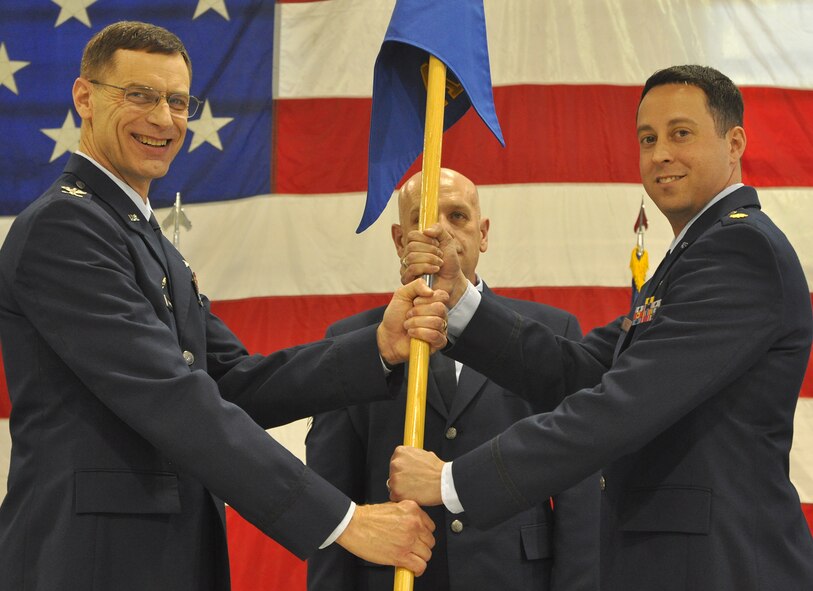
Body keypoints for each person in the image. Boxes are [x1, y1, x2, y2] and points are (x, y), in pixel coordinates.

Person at [0, 21, 448, 591]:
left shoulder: (143, 238)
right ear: (84, 98)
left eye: (177, 101)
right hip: (91, 561)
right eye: (139, 95)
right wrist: (344, 521)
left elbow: (234, 382)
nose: (163, 119)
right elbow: (172, 397)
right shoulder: (65, 227)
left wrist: (379, 348)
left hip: (165, 558)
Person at [388, 65, 813, 590]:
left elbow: (622, 405)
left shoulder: (739, 249)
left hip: (722, 566)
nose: (660, 154)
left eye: (681, 133)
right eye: (647, 138)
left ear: (735, 144)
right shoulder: (695, 254)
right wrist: (460, 300)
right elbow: (583, 369)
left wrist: (454, 480)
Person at [306, 168, 600, 591]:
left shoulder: (552, 333)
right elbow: (332, 501)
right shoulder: (352, 344)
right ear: (399, 240)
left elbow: (580, 491)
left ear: (483, 234)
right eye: (423, 219)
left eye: (458, 217)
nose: (441, 232)